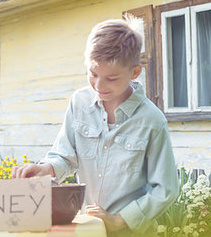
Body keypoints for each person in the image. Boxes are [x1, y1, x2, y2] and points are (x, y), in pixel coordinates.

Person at [12, 16, 178, 236]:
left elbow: (165, 189)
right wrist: (46, 169)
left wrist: (119, 221)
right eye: (93, 73)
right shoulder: (79, 103)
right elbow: (65, 156)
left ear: (134, 72)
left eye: (111, 78)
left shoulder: (151, 121)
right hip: (87, 228)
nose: (99, 85)